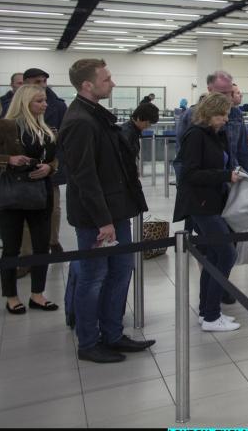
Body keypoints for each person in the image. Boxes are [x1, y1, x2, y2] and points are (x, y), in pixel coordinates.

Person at [59, 59, 152, 362]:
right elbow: (83, 177)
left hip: (116, 210)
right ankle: (89, 342)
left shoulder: (96, 117)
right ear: (87, 84)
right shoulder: (80, 121)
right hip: (97, 218)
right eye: (107, 79)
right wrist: (103, 221)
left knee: (120, 271)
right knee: (94, 277)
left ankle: (112, 334)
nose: (112, 83)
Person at [0, 85, 59, 316]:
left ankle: (37, 294)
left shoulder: (46, 129)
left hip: (41, 194)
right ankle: (11, 296)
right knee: (11, 249)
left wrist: (49, 168)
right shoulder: (7, 126)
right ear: (25, 103)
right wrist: (8, 160)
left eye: (44, 100)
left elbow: (55, 160)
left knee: (41, 247)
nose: (44, 105)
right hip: (13, 195)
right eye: (38, 101)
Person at [174, 92, 242, 333]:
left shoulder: (214, 134)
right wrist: (225, 176)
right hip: (201, 205)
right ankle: (212, 315)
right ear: (210, 113)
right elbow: (190, 173)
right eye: (222, 115)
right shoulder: (195, 136)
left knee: (214, 257)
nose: (226, 119)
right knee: (226, 255)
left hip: (213, 201)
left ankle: (207, 312)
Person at [22, 68, 67, 254]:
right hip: (23, 172)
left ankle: (53, 241)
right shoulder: (13, 107)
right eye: (36, 81)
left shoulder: (58, 106)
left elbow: (65, 139)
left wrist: (53, 165)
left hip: (50, 169)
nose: (41, 85)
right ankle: (26, 255)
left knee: (53, 209)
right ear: (26, 83)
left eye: (43, 81)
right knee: (25, 214)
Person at [175, 71, 248, 177]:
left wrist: (247, 178)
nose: (227, 97)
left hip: (232, 179)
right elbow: (181, 155)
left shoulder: (236, 114)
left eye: (229, 93)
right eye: (222, 93)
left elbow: (243, 151)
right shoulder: (192, 114)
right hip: (202, 182)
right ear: (209, 90)